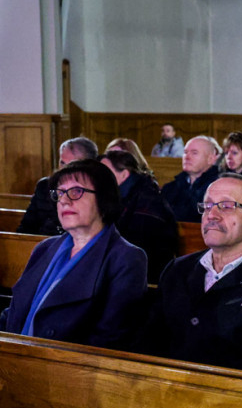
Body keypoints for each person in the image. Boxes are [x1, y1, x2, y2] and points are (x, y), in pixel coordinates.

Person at [142, 173, 242, 374]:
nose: (211, 215)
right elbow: (148, 343)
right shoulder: (178, 269)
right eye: (208, 206)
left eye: (227, 206)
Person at [1, 159, 148, 347]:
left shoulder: (126, 258)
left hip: (61, 368)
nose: (63, 200)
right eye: (60, 193)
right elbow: (14, 312)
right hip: (13, 358)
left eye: (76, 191)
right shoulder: (45, 248)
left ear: (103, 199)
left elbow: (109, 339)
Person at [99, 150, 177, 283]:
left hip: (146, 277)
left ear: (124, 174)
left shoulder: (147, 200)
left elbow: (139, 248)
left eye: (105, 173)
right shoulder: (120, 197)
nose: (99, 178)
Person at [18, 136, 98, 236]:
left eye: (72, 164)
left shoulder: (94, 191)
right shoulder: (44, 186)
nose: (64, 170)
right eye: (62, 163)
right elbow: (26, 228)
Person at [160, 135, 222, 222]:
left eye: (194, 153)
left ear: (210, 159)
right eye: (185, 152)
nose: (187, 157)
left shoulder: (220, 188)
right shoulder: (170, 188)